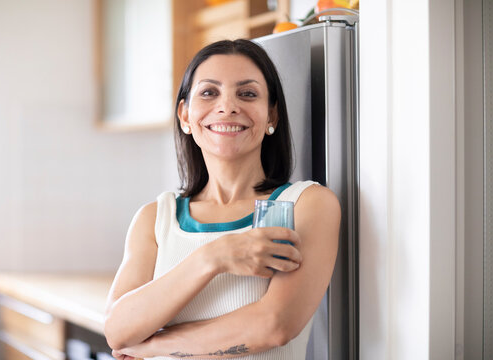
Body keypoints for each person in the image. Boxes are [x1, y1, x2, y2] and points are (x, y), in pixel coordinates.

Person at [104, 39, 340, 360]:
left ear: (272, 115)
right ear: (185, 116)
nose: (227, 106)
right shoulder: (155, 218)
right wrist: (213, 257)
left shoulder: (307, 204)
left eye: (247, 93)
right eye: (209, 92)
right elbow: (118, 330)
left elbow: (274, 326)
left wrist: (154, 345)